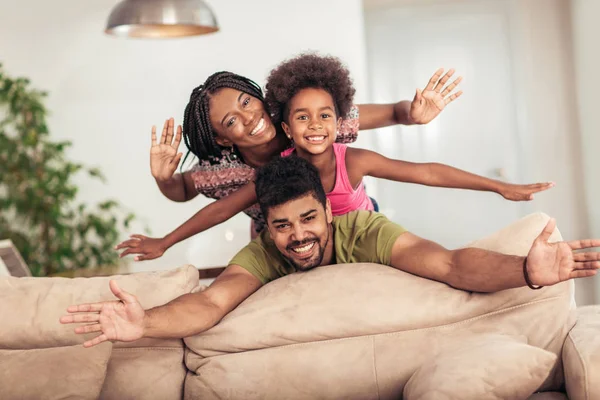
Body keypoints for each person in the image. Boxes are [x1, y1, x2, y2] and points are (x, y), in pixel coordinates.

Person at [61, 156, 599, 348]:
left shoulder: (363, 228)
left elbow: (453, 264)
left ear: (328, 209)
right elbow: (208, 304)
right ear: (264, 227)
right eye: (281, 226)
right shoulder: (264, 256)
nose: (298, 236)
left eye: (308, 219)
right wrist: (144, 323)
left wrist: (526, 271)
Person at [116, 55, 553, 260]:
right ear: (222, 140)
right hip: (290, 234)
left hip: (355, 220)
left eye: (247, 103)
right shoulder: (239, 171)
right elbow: (194, 197)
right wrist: (163, 197)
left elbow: (421, 163)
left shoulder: (322, 130)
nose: (247, 120)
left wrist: (416, 115)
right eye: (230, 121)